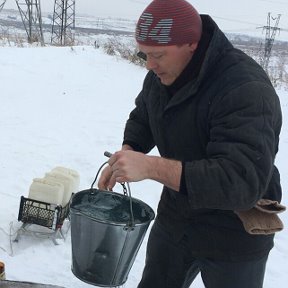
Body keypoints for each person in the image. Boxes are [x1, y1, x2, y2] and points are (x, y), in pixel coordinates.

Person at [98, 0, 283, 287]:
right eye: (144, 55)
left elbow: (239, 181)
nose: (149, 65)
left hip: (233, 233)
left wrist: (149, 166)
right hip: (177, 219)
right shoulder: (162, 74)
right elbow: (144, 115)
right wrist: (129, 150)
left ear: (191, 45)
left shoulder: (244, 88)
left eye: (157, 55)